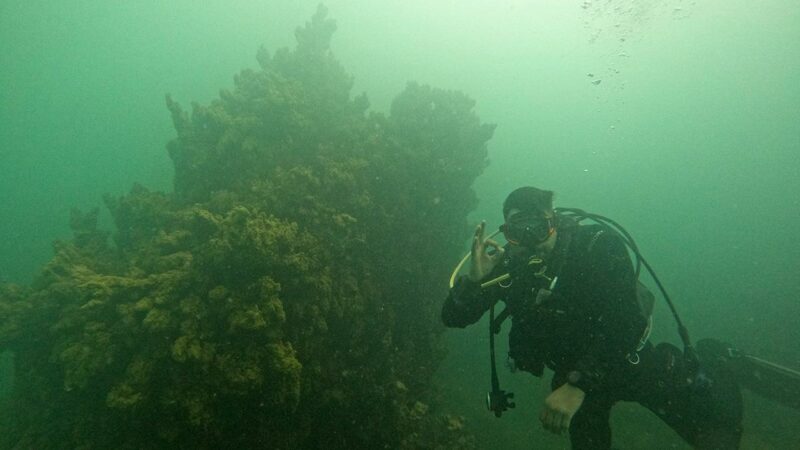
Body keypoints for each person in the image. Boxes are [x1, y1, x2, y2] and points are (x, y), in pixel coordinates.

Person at [442, 186, 743, 449]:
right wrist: (474, 280)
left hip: (621, 360)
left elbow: (628, 322)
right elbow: (453, 317)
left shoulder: (597, 246)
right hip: (571, 372)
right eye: (517, 232)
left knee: (709, 422)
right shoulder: (509, 266)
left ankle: (718, 359)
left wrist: (578, 385)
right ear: (508, 234)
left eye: (539, 227)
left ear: (554, 221)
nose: (530, 240)